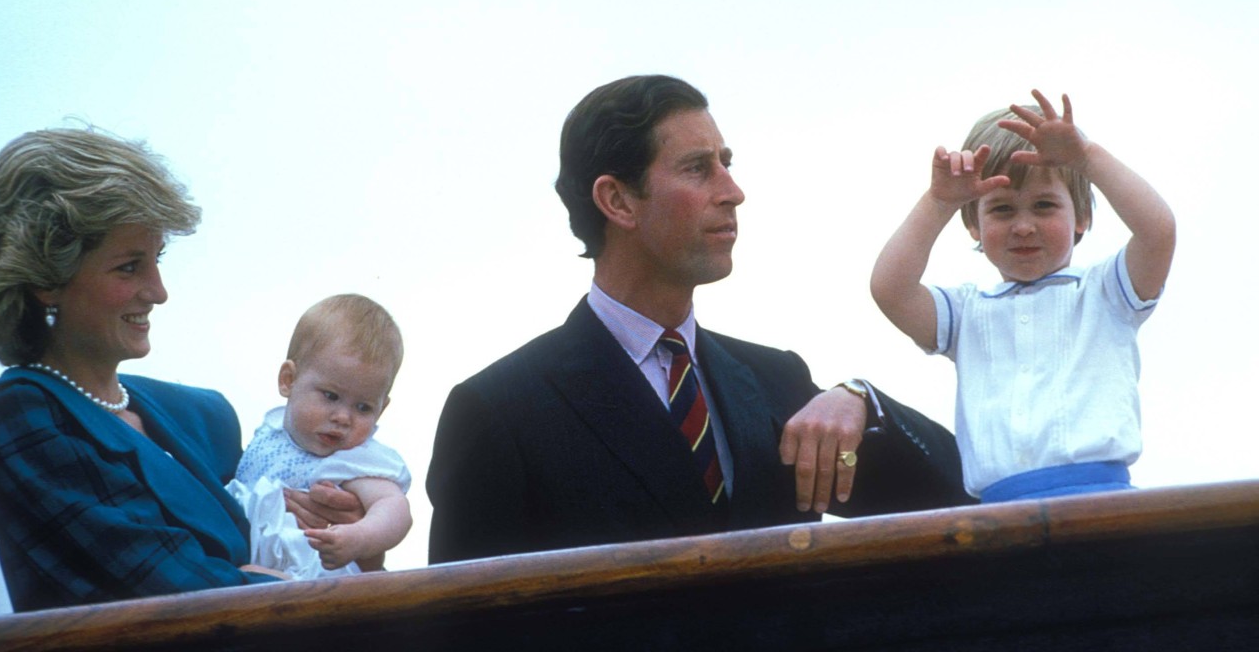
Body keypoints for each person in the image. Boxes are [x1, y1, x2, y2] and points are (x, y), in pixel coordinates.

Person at [427, 74, 972, 564]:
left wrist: (861, 399)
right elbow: (463, 630)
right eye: (697, 168)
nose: (733, 192)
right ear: (617, 200)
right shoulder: (500, 410)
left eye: (726, 163)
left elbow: (963, 496)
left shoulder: (775, 380)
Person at [0, 128, 361, 611]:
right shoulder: (20, 415)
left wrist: (342, 525)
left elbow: (268, 556)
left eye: (156, 260)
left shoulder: (199, 416)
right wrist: (259, 582)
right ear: (46, 279)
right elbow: (173, 594)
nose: (159, 292)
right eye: (129, 267)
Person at [870, 90, 1175, 503]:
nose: (1024, 227)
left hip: (1102, 502)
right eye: (1002, 210)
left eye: (1044, 205)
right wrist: (939, 201)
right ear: (974, 225)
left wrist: (1085, 158)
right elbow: (891, 289)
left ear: (1081, 217)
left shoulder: (1107, 294)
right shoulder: (967, 313)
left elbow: (1158, 231)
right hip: (997, 514)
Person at [229, 294, 412, 578]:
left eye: (363, 407)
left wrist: (358, 537)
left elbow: (394, 507)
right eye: (331, 396)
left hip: (316, 575)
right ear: (288, 380)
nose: (343, 417)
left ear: (382, 408)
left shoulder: (353, 458)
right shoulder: (270, 434)